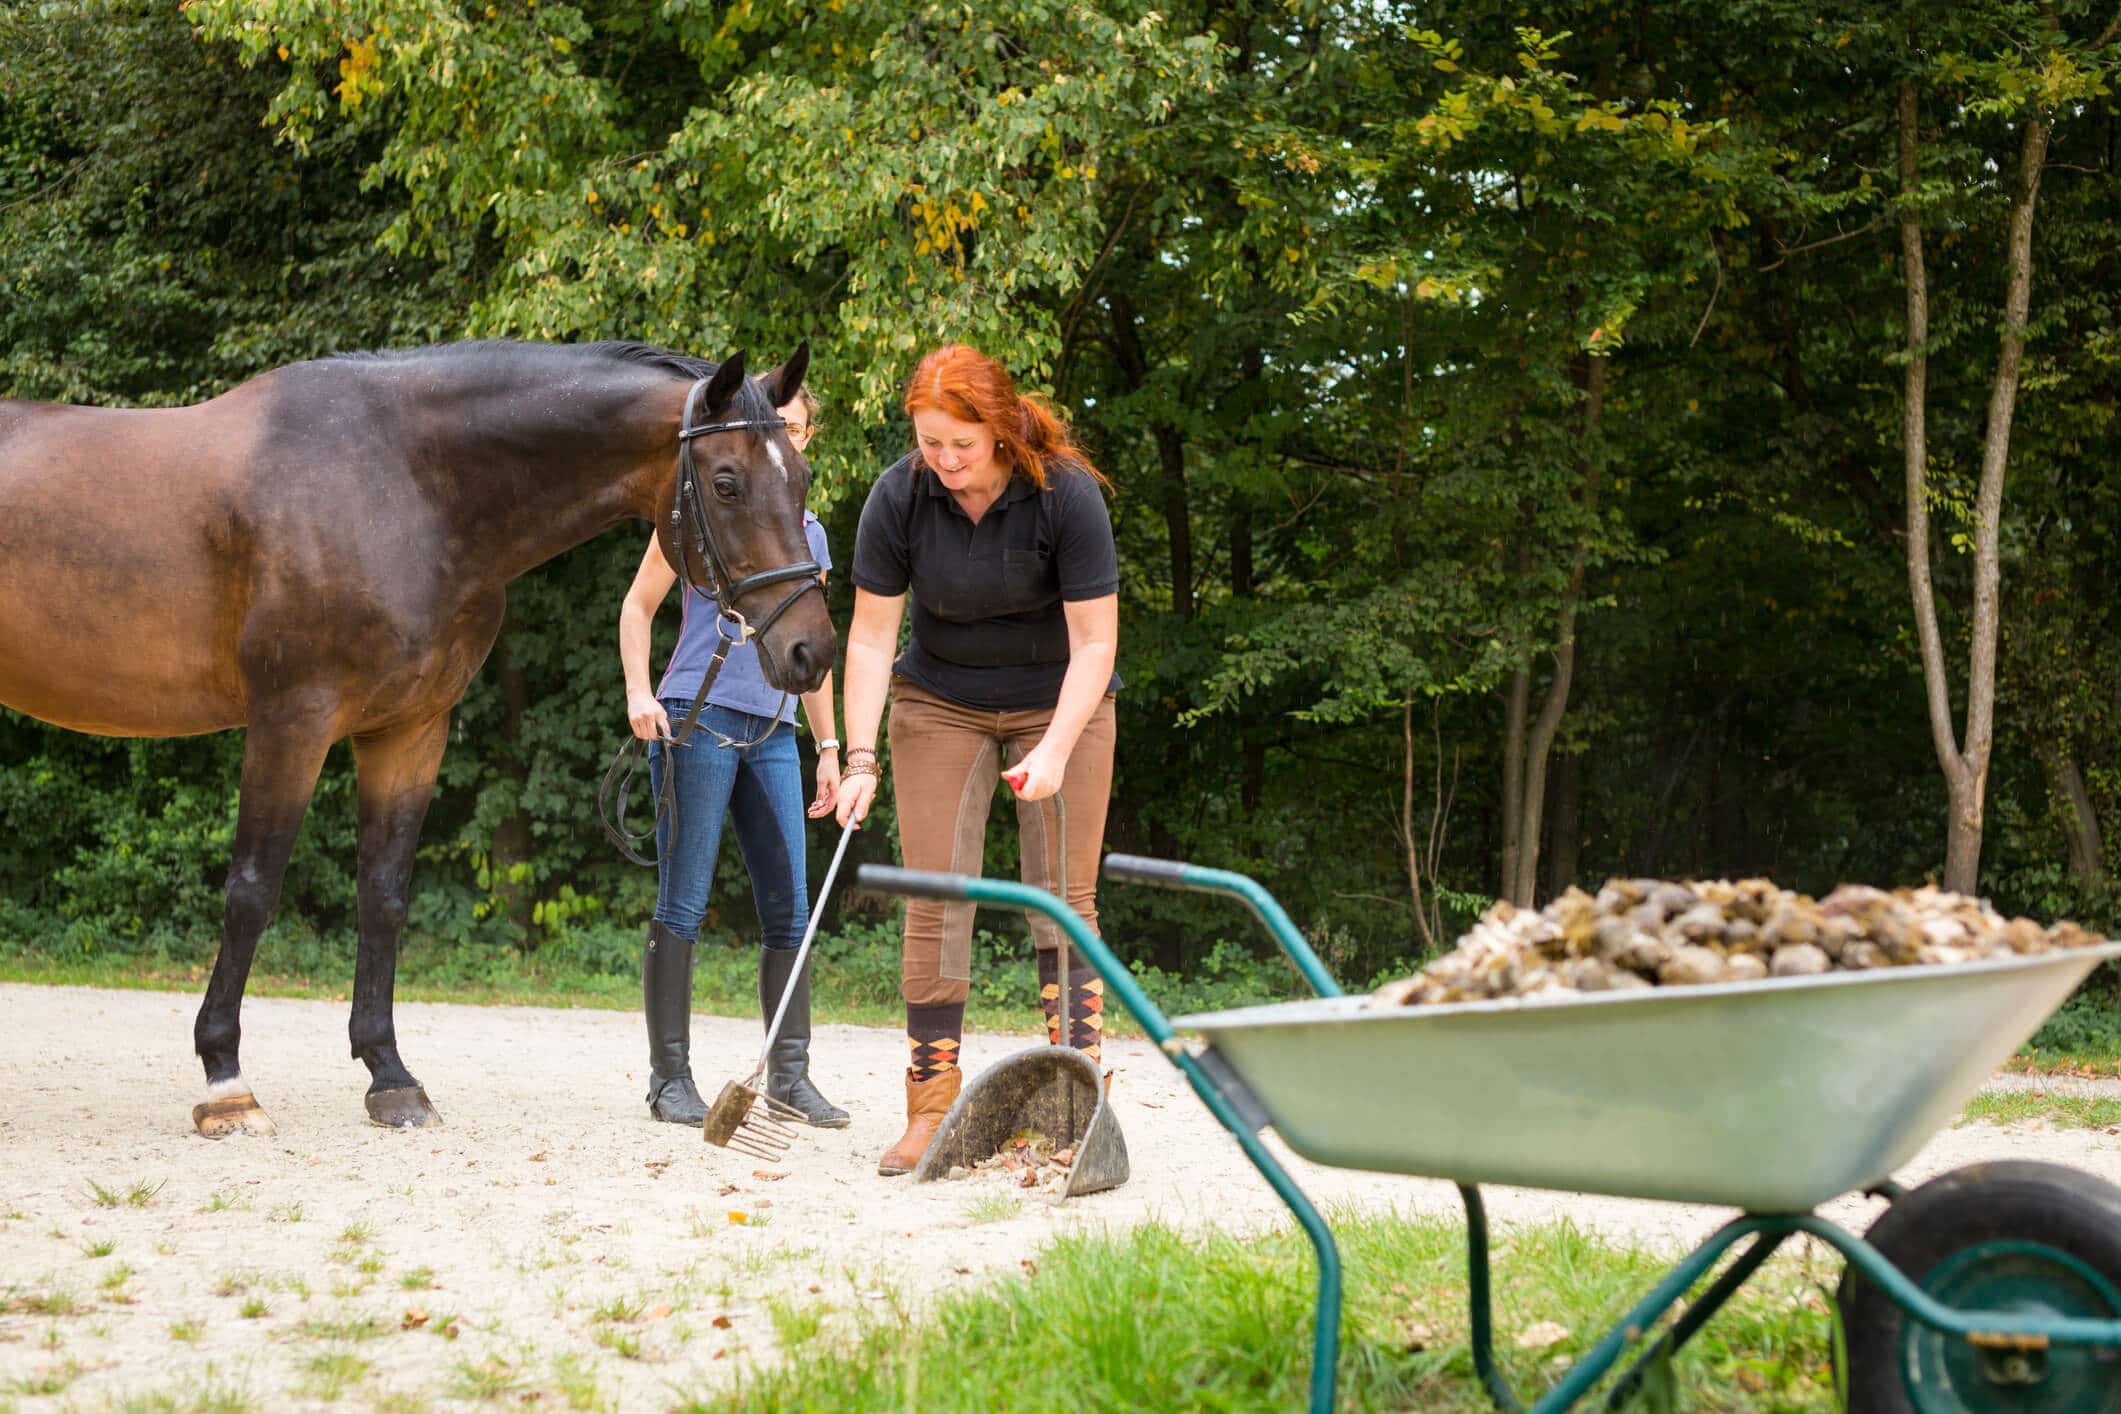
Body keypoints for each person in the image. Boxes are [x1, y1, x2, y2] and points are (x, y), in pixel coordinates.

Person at [834, 344, 1120, 1177]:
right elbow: (870, 637)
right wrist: (857, 759)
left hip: (1059, 698)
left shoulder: (1064, 494)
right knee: (935, 897)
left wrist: (1058, 748)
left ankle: (1076, 1104)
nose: (946, 461)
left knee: (1060, 901)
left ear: (997, 428)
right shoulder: (898, 496)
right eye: (930, 444)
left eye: (961, 443)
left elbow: (1096, 641)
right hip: (940, 700)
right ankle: (931, 1105)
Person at [618, 383, 847, 1129]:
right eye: (769, 425)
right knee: (683, 899)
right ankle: (668, 1080)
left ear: (805, 441)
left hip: (774, 730)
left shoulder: (808, 535)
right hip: (698, 714)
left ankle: (790, 1077)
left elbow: (810, 653)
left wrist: (830, 746)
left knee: (791, 909)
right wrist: (638, 693)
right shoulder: (698, 511)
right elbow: (636, 606)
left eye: (791, 427)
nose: (779, 434)